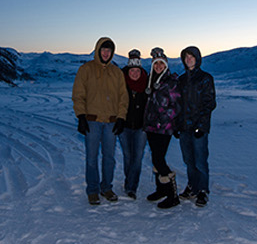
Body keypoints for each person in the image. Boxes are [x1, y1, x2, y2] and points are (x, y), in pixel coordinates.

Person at [72, 37, 128, 205]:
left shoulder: (116, 72)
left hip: (111, 122)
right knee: (91, 157)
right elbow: (78, 94)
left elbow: (123, 98)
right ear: (97, 50)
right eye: (103, 50)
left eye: (109, 50)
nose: (106, 53)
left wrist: (121, 118)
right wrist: (81, 116)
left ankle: (106, 187)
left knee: (109, 157)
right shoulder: (86, 69)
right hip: (92, 121)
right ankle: (93, 190)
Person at [175, 46, 217, 207]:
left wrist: (201, 125)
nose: (189, 59)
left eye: (191, 56)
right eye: (186, 57)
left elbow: (209, 103)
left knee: (200, 161)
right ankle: (192, 187)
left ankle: (203, 190)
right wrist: (177, 125)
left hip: (199, 128)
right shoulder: (181, 79)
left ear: (197, 59)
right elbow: (178, 104)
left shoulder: (205, 78)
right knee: (189, 160)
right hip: (184, 127)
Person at [141, 48, 182, 208]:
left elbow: (176, 106)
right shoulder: (151, 80)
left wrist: (164, 118)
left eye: (161, 63)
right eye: (156, 63)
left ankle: (172, 195)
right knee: (155, 158)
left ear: (166, 65)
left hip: (164, 128)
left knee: (159, 159)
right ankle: (161, 190)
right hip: (151, 127)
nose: (158, 66)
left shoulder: (171, 82)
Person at [119, 49, 148, 199]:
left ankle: (131, 187)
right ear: (128, 70)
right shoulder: (121, 82)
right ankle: (128, 181)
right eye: (132, 71)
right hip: (124, 126)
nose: (135, 74)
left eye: (137, 70)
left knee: (137, 157)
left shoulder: (147, 83)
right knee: (127, 156)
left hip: (141, 127)